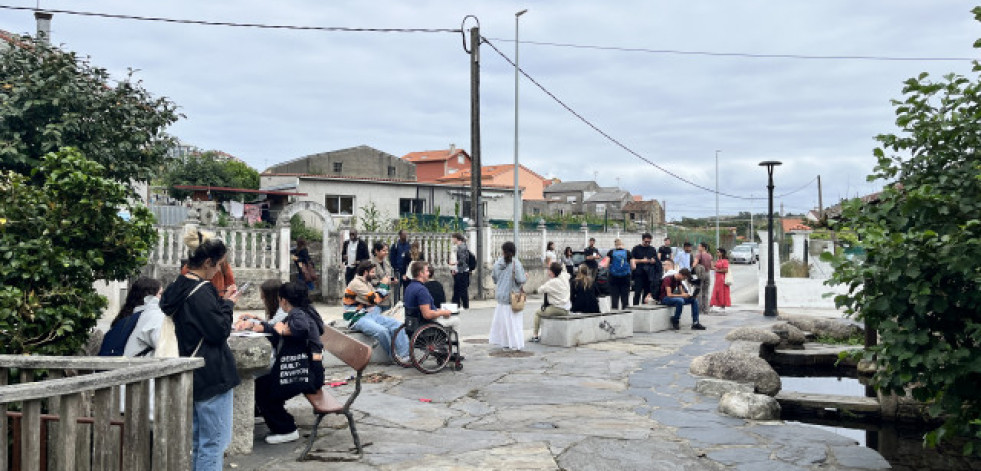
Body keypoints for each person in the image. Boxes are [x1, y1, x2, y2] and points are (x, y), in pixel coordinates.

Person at [160, 227, 241, 471]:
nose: (218, 271)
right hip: (211, 372)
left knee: (198, 440)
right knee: (213, 443)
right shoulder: (202, 291)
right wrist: (227, 304)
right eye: (218, 265)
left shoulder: (178, 286)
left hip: (191, 370)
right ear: (207, 262)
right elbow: (218, 331)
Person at [236, 282, 325, 445]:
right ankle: (272, 417)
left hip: (306, 375)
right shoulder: (303, 311)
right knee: (261, 384)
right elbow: (280, 332)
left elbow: (301, 329)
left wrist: (282, 330)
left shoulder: (297, 314)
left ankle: (286, 429)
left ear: (283, 300)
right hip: (305, 371)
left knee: (267, 391)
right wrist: (263, 327)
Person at [343, 260, 409, 362]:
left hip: (368, 314)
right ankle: (393, 357)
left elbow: (380, 298)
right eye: (373, 272)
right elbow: (375, 299)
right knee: (382, 331)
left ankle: (405, 356)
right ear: (365, 272)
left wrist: (385, 286)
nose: (374, 275)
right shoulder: (356, 284)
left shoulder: (366, 283)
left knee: (397, 325)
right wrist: (383, 285)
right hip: (356, 318)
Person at [489, 241, 527, 350]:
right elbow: (520, 279)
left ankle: (504, 342)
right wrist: (526, 277)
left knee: (503, 323)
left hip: (501, 297)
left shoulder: (497, 264)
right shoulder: (516, 263)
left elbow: (495, 279)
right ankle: (515, 344)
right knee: (514, 323)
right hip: (513, 298)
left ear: (503, 251)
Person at [404, 260, 460, 332]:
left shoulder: (409, 287)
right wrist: (443, 313)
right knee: (456, 320)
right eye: (427, 271)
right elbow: (427, 314)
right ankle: (451, 341)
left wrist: (440, 311)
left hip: (412, 322)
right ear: (421, 273)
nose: (429, 273)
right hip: (425, 324)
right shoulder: (421, 290)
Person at [116, 277, 164, 357]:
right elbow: (164, 347)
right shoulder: (153, 316)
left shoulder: (125, 317)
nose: (161, 297)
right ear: (150, 297)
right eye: (160, 294)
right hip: (139, 367)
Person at [530, 262, 571, 342]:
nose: (548, 272)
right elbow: (566, 273)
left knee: (538, 313)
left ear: (552, 272)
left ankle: (535, 335)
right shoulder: (564, 277)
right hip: (566, 307)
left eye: (549, 270)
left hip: (558, 308)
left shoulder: (552, 282)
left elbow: (540, 290)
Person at [630, 232, 660, 306]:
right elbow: (632, 260)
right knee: (637, 292)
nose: (647, 243)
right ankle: (635, 307)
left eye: (649, 242)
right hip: (639, 273)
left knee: (647, 292)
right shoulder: (636, 249)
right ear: (642, 240)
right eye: (646, 241)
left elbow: (656, 259)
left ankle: (644, 306)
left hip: (649, 274)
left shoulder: (652, 249)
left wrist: (653, 260)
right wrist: (642, 260)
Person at [606, 238, 632, 310]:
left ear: (615, 245)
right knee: (625, 296)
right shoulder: (628, 252)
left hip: (613, 277)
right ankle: (625, 311)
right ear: (622, 244)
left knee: (614, 297)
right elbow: (633, 266)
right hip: (625, 277)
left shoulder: (611, 252)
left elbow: (605, 265)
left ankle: (614, 312)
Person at [370, 241, 395, 311]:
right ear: (376, 251)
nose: (386, 252)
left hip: (387, 297)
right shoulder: (371, 264)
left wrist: (393, 280)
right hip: (376, 296)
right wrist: (381, 282)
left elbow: (390, 276)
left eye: (387, 251)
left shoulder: (387, 263)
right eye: (384, 250)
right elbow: (370, 281)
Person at [450, 233, 471, 313]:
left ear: (456, 238)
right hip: (461, 270)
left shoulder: (461, 247)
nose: (452, 240)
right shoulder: (462, 246)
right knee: (458, 288)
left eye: (453, 238)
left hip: (462, 271)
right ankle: (457, 305)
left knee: (462, 289)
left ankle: (465, 305)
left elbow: (462, 260)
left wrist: (454, 264)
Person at [389, 230, 411, 303]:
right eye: (404, 234)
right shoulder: (395, 245)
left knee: (407, 289)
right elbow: (391, 258)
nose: (405, 236)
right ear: (400, 235)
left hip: (407, 271)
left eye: (406, 234)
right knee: (397, 288)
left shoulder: (409, 245)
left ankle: (406, 303)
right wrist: (395, 267)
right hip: (398, 270)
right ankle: (396, 304)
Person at [694, 242, 714, 314]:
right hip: (708, 274)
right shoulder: (709, 255)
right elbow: (712, 266)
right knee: (706, 293)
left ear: (703, 247)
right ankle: (706, 309)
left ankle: (699, 309)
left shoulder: (699, 255)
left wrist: (692, 267)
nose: (698, 247)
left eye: (699, 246)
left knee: (699, 292)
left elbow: (695, 264)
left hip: (700, 274)